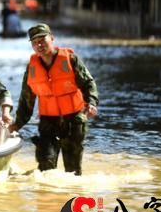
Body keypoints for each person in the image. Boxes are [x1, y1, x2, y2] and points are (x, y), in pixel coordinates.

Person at [8, 23, 98, 176]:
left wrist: (91, 103)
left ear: (52, 38)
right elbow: (26, 100)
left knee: (72, 170)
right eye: (35, 42)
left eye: (43, 39)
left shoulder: (70, 59)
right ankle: (47, 198)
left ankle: (70, 196)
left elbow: (88, 83)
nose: (39, 45)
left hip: (73, 119)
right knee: (45, 169)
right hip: (48, 121)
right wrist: (17, 124)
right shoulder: (32, 68)